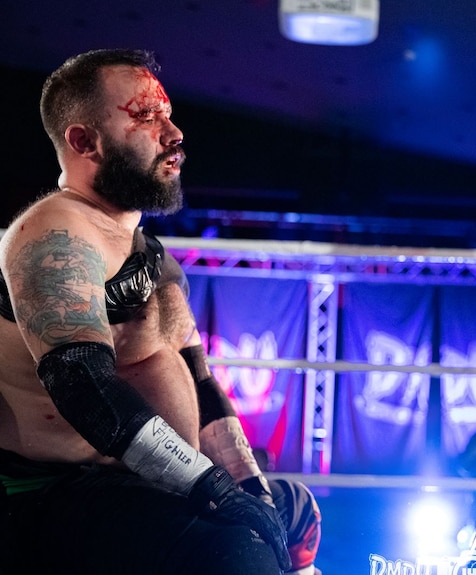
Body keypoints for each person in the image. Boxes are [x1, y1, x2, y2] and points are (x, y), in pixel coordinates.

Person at [0, 49, 320, 574]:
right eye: (147, 116)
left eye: (167, 114)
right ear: (84, 141)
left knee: (291, 512)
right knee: (230, 553)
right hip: (54, 494)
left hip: (141, 483)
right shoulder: (54, 233)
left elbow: (200, 383)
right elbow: (82, 383)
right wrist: (208, 487)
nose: (174, 134)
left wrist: (248, 490)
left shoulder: (153, 257)